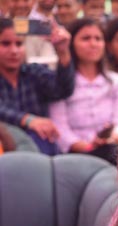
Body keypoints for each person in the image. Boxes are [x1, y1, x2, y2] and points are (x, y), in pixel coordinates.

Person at [48, 16, 118, 162]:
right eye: (86, 38)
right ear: (71, 44)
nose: (93, 44)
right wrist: (88, 147)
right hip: (74, 156)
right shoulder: (60, 84)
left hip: (112, 150)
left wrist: (111, 138)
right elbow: (61, 130)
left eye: (98, 39)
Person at [0, 15, 73, 154]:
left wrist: (63, 52)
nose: (14, 51)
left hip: (41, 144)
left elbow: (63, 90)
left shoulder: (34, 72)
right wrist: (28, 120)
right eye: (5, 44)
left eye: (19, 44)